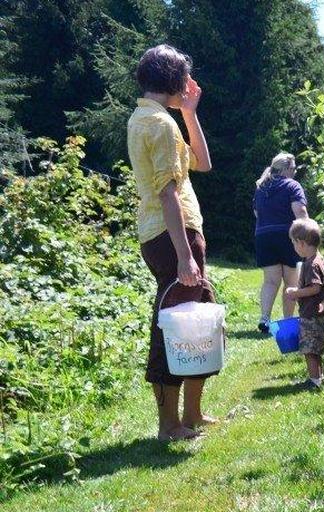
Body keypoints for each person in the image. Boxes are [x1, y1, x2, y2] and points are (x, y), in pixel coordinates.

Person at [126, 44, 217, 442]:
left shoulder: (152, 118)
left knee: (193, 319)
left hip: (166, 232)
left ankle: (191, 415)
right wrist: (184, 256)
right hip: (171, 235)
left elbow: (202, 163)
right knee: (174, 326)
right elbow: (167, 193)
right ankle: (169, 426)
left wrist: (190, 114)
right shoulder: (159, 125)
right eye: (185, 79)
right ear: (176, 81)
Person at [253, 152, 308, 333]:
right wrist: (308, 236)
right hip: (287, 236)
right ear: (285, 169)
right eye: (293, 168)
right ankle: (287, 324)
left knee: (270, 281)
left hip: (263, 237)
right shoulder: (292, 185)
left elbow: (257, 214)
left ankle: (265, 319)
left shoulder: (261, 187)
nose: (294, 172)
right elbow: (300, 212)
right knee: (291, 283)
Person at [283, 218, 324, 389]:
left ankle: (314, 381)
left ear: (301, 243)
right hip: (318, 314)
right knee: (315, 349)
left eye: (294, 243)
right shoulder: (318, 259)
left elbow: (315, 288)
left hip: (311, 315)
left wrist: (295, 293)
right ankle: (319, 378)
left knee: (309, 350)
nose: (294, 247)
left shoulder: (312, 264)